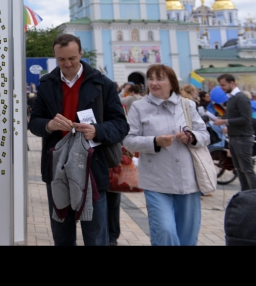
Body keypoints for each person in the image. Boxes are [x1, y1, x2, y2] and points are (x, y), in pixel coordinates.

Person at [29, 34, 129, 246]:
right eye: (61, 59)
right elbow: (34, 122)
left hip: (92, 167)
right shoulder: (47, 83)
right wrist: (49, 125)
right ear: (55, 57)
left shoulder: (103, 84)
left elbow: (121, 125)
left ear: (81, 54)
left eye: (72, 58)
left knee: (95, 236)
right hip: (57, 167)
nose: (67, 64)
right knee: (62, 236)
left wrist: (96, 131)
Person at [124, 64, 210, 246]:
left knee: (187, 236)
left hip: (188, 182)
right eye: (151, 78)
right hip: (157, 182)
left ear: (171, 83)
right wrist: (155, 141)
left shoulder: (188, 105)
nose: (154, 83)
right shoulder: (139, 107)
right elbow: (129, 140)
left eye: (160, 78)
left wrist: (191, 136)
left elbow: (205, 135)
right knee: (164, 231)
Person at [214, 73, 256, 191]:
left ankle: (252, 196)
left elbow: (246, 119)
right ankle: (245, 195)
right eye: (220, 85)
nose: (222, 88)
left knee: (246, 169)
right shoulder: (231, 98)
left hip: (243, 138)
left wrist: (225, 121)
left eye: (223, 85)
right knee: (240, 169)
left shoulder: (241, 97)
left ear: (232, 83)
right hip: (234, 137)